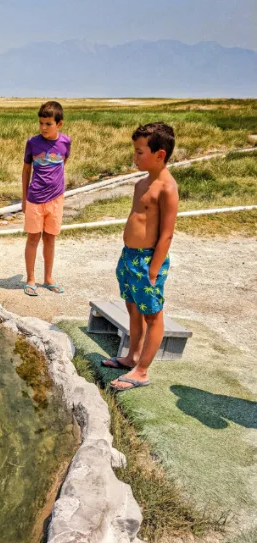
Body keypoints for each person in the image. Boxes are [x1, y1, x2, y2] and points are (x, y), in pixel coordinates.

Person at [102, 122, 179, 391]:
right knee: (132, 308)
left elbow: (166, 234)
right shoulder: (141, 184)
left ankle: (143, 370)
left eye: (139, 152)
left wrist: (154, 269)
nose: (135, 158)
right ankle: (132, 357)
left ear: (160, 154)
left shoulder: (166, 188)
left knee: (152, 315)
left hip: (148, 261)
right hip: (129, 257)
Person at [22, 101, 71, 296]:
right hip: (35, 198)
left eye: (48, 124)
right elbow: (26, 169)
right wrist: (24, 198)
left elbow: (62, 163)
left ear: (59, 124)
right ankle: (30, 279)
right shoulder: (32, 143)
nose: (43, 127)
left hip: (56, 199)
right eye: (41, 123)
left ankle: (48, 278)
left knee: (50, 238)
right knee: (33, 237)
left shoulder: (65, 142)